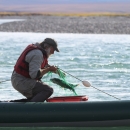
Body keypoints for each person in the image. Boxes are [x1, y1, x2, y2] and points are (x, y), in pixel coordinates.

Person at [11, 38, 59, 102]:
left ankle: (18, 106)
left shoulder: (38, 51)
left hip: (18, 79)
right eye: (53, 49)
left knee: (39, 94)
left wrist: (49, 67)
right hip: (21, 80)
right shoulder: (37, 54)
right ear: (46, 47)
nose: (53, 53)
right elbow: (35, 75)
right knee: (48, 90)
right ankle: (31, 110)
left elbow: (36, 65)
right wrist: (48, 69)